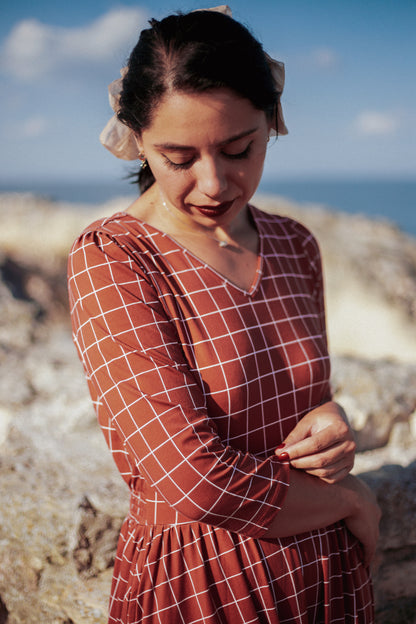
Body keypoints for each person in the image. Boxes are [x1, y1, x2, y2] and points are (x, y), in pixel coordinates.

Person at [68, 7, 381, 623]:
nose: (213, 183)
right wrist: (350, 499)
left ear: (273, 121)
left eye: (239, 148)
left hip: (327, 573)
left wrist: (331, 425)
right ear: (136, 139)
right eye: (179, 158)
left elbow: (296, 400)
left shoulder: (295, 244)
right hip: (204, 581)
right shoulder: (116, 257)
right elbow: (193, 480)